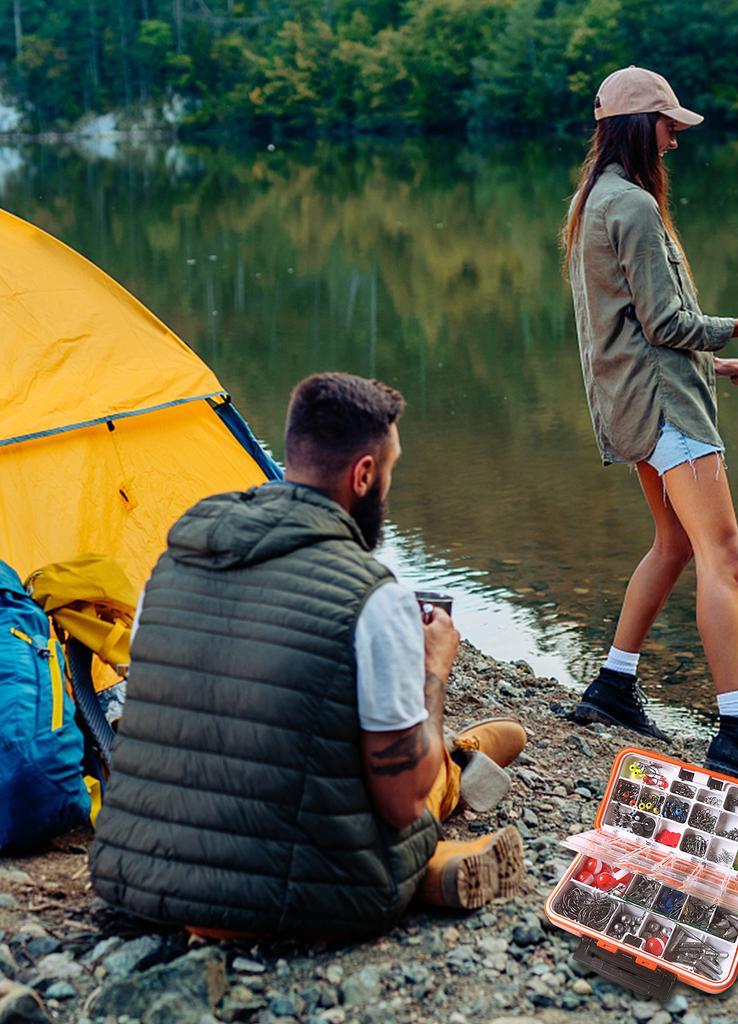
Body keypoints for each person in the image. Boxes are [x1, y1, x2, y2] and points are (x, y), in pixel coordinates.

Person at [89, 372, 527, 939]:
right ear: (364, 474)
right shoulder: (374, 597)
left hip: (137, 876)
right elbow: (400, 802)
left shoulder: (172, 562)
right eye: (389, 472)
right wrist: (433, 672)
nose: (387, 491)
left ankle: (459, 763)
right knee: (414, 790)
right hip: (290, 899)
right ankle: (454, 769)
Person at [563, 66, 738, 798]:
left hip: (635, 401)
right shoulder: (635, 207)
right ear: (640, 125)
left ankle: (613, 685)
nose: (676, 137)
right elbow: (666, 323)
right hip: (665, 408)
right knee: (725, 555)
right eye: (669, 124)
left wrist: (717, 359)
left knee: (676, 544)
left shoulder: (597, 200)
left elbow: (636, 329)